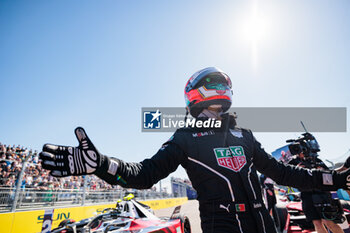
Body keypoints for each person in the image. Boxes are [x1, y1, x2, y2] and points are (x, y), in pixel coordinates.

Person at [39, 67, 350, 233]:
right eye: (210, 102)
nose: (215, 109)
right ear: (196, 100)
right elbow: (145, 174)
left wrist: (335, 180)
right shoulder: (185, 138)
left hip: (264, 224)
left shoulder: (245, 135)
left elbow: (283, 173)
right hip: (223, 226)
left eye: (219, 102)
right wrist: (102, 164)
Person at [289, 152, 344, 233]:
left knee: (329, 222)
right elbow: (288, 179)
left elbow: (329, 174)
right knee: (317, 223)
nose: (303, 153)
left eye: (304, 150)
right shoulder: (293, 162)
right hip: (306, 195)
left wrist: (321, 170)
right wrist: (296, 171)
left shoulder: (315, 160)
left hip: (322, 193)